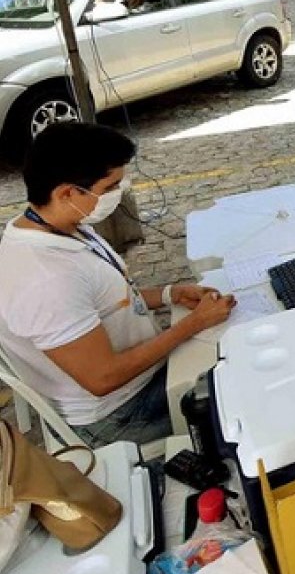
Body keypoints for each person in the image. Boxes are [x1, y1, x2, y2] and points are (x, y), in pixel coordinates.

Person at [0, 123, 235, 446]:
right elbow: (102, 378)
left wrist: (170, 294)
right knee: (244, 396)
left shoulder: (62, 225)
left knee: (237, 350)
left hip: (141, 381)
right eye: (109, 187)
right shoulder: (46, 279)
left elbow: (107, 298)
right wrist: (193, 324)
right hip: (120, 414)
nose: (118, 193)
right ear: (67, 193)